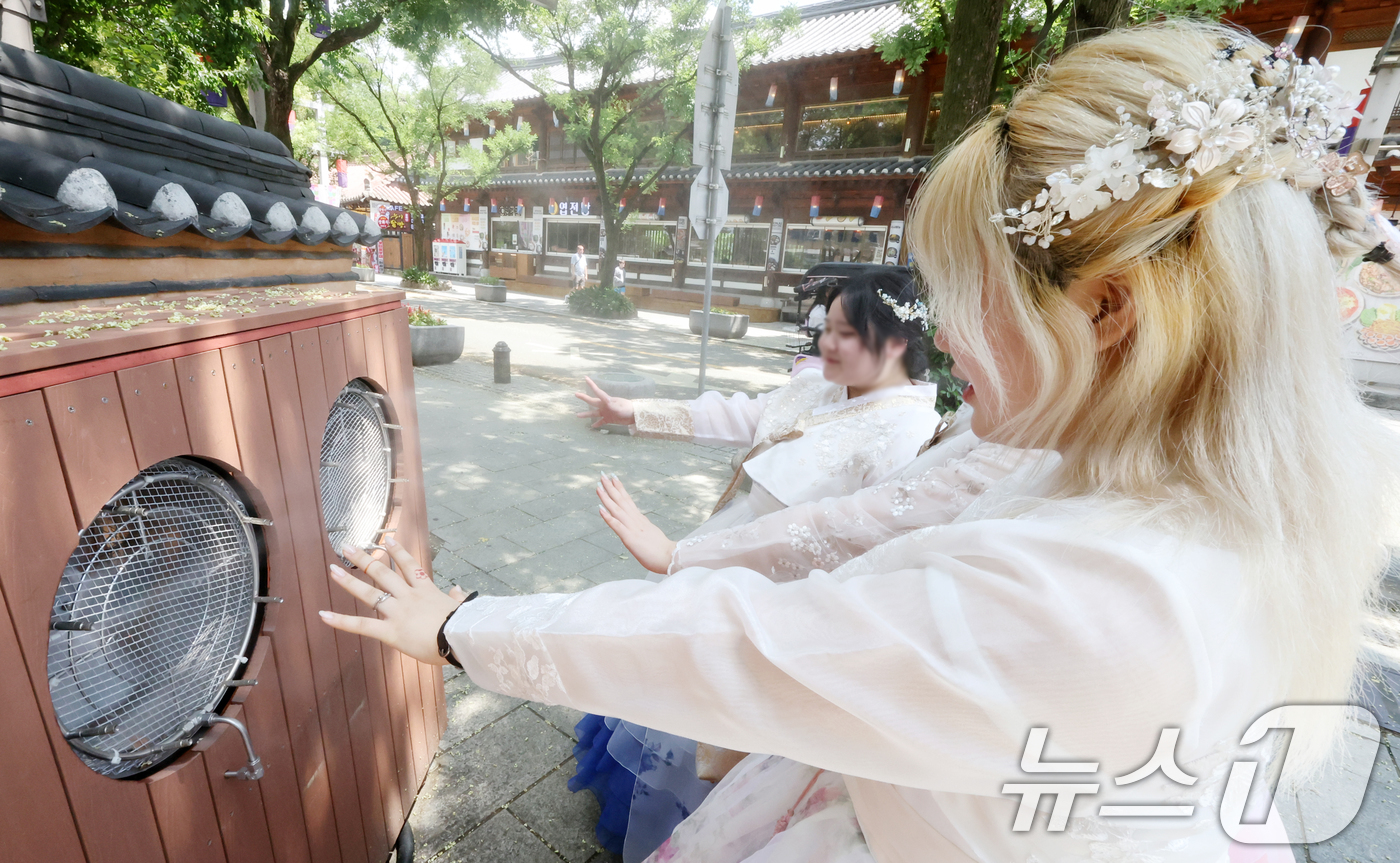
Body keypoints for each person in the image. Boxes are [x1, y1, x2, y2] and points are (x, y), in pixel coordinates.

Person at [322, 22, 1400, 863]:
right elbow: (755, 432)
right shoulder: (1190, 474)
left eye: (959, 292)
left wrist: (463, 623)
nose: (945, 332)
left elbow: (788, 605)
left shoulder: (1096, 587)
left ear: (1105, 308)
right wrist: (641, 429)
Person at [567, 269, 943, 860]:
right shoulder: (821, 386)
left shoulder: (909, 428)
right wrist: (631, 411)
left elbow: (856, 538)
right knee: (671, 675)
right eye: (827, 328)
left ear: (895, 342)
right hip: (730, 546)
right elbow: (742, 414)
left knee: (715, 708)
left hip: (781, 586)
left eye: (846, 333)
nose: (826, 344)